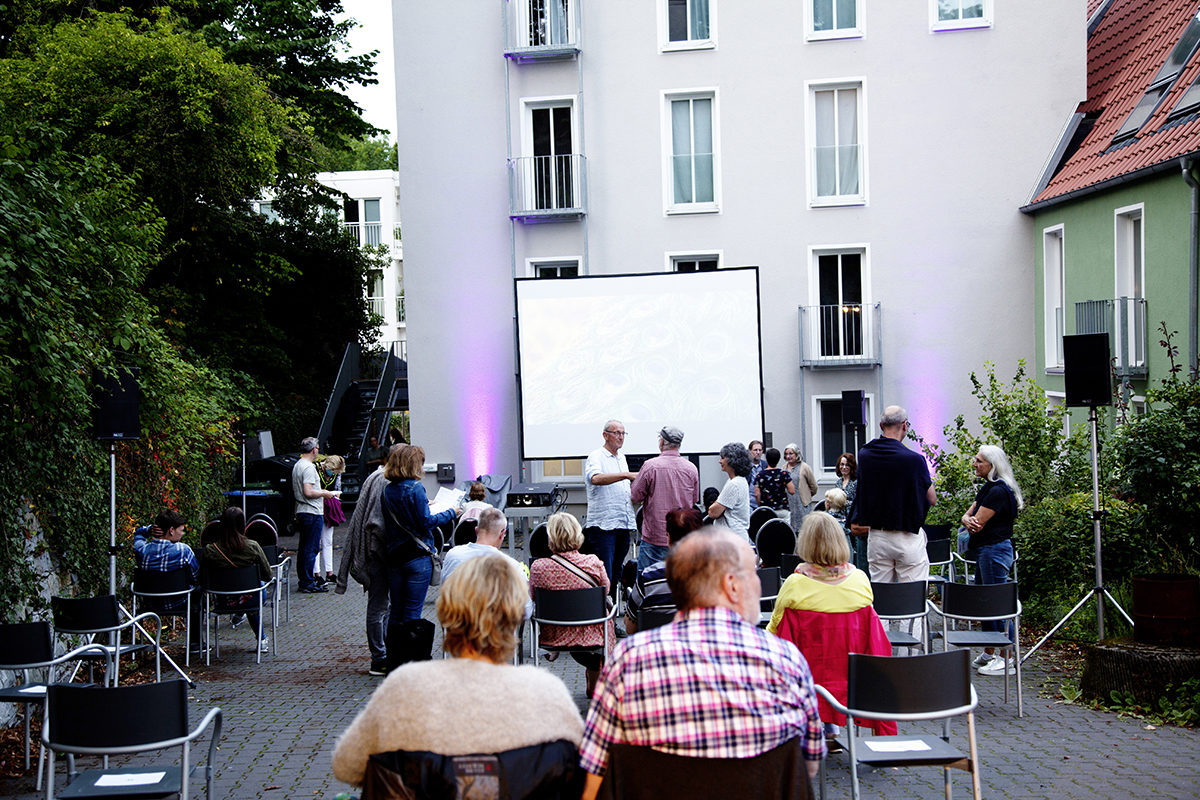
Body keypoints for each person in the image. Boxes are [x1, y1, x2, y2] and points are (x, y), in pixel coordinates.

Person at [578, 528, 825, 799]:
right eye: (753, 573)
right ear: (732, 585)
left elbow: (595, 769)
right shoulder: (786, 661)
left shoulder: (628, 661)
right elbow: (808, 763)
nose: (759, 583)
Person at [332, 555, 584, 787]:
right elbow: (581, 772)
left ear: (447, 612)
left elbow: (347, 766)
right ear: (515, 615)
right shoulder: (546, 691)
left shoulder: (406, 686)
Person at [766, 512, 894, 738]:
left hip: (809, 683)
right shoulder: (860, 581)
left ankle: (817, 722)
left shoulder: (795, 584)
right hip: (853, 684)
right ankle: (832, 724)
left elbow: (776, 633)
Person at [529, 512, 615, 698]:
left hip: (554, 632)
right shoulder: (593, 562)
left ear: (550, 537)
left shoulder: (538, 567)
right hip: (591, 631)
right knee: (607, 614)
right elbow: (606, 590)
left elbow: (533, 597)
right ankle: (598, 677)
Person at [848, 406, 936, 583]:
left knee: (881, 592)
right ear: (904, 425)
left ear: (881, 425)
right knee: (912, 593)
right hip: (907, 535)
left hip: (878, 536)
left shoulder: (865, 455)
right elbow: (932, 499)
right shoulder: (914, 460)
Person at [381, 444, 457, 647]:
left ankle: (393, 657)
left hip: (394, 556)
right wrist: (451, 512)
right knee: (413, 613)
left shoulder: (387, 490)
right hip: (417, 556)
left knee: (396, 610)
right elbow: (426, 522)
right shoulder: (416, 488)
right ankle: (411, 657)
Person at [335, 444, 399, 676]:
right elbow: (376, 520)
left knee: (382, 605)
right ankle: (379, 657)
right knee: (379, 606)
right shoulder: (384, 481)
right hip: (379, 554)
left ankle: (383, 654)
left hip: (375, 553)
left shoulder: (376, 477)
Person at [961, 444, 1023, 677]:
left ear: (992, 465)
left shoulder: (998, 491)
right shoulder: (988, 488)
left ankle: (1007, 657)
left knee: (997, 603)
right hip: (986, 550)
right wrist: (966, 519)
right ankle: (989, 652)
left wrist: (968, 520)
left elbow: (975, 524)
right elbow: (967, 516)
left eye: (979, 461)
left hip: (994, 550)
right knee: (986, 601)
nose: (975, 464)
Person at [629, 425, 699, 575]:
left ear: (662, 442)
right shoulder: (691, 468)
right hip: (681, 537)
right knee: (680, 582)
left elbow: (635, 496)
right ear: (679, 444)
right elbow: (694, 500)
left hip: (655, 536)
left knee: (647, 581)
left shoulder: (650, 466)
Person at [201, 506, 272, 652]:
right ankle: (261, 639)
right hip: (251, 599)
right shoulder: (252, 546)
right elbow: (267, 575)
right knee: (255, 586)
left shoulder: (211, 550)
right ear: (243, 525)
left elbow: (203, 577)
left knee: (244, 589)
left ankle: (239, 613)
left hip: (223, 600)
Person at [624, 507, 705, 634]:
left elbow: (630, 627)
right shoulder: (717, 578)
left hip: (658, 645)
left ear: (668, 538)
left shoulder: (648, 577)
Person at [442, 508, 533, 620]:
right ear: (502, 534)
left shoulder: (452, 555)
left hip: (457, 625)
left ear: (476, 531)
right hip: (494, 628)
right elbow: (526, 611)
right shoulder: (512, 566)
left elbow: (444, 592)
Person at [133, 509, 203, 652]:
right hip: (179, 602)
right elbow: (197, 575)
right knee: (199, 591)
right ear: (171, 530)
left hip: (150, 603)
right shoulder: (183, 550)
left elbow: (138, 534)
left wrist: (149, 530)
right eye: (181, 530)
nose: (182, 534)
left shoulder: (142, 551)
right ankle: (195, 642)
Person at [584, 419, 637, 594]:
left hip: (623, 522)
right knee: (604, 573)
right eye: (617, 433)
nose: (621, 437)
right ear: (605, 435)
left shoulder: (622, 458)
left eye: (623, 433)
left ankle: (613, 607)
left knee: (617, 572)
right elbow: (595, 478)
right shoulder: (596, 456)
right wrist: (625, 475)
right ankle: (604, 608)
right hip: (604, 525)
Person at [292, 436, 340, 593]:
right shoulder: (308, 468)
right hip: (312, 511)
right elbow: (308, 491)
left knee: (304, 547)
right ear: (314, 450)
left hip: (302, 510)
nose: (318, 451)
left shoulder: (298, 465)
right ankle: (308, 582)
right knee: (311, 548)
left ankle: (304, 580)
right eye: (318, 448)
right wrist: (324, 493)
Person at [707, 442, 752, 539]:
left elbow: (713, 512)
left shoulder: (734, 484)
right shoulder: (739, 480)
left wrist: (716, 505)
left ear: (732, 460)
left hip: (732, 537)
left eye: (722, 458)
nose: (719, 461)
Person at [315, 454, 346, 585]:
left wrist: (335, 496)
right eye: (332, 471)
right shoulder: (316, 469)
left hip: (329, 508)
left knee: (328, 541)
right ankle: (316, 573)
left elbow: (337, 489)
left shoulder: (336, 474)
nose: (333, 474)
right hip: (317, 508)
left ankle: (329, 572)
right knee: (316, 542)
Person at [833, 452, 864, 572]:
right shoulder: (838, 482)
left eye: (847, 465)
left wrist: (843, 502)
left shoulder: (856, 482)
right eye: (842, 464)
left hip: (852, 519)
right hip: (840, 519)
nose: (844, 467)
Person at [783, 443, 819, 532]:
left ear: (796, 454)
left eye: (791, 454)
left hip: (802, 504)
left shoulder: (805, 467)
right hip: (789, 504)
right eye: (786, 454)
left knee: (804, 529)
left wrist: (806, 495)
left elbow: (813, 486)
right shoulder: (784, 468)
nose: (788, 456)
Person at [754, 447, 795, 522]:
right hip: (782, 509)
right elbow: (792, 491)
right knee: (784, 528)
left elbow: (757, 494)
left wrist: (760, 505)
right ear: (779, 459)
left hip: (767, 510)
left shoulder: (760, 475)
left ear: (766, 459)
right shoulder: (783, 473)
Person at [747, 439, 765, 510]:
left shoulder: (765, 465)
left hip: (763, 503)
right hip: (749, 503)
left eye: (760, 450)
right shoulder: (745, 466)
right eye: (755, 450)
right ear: (750, 451)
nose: (758, 452)